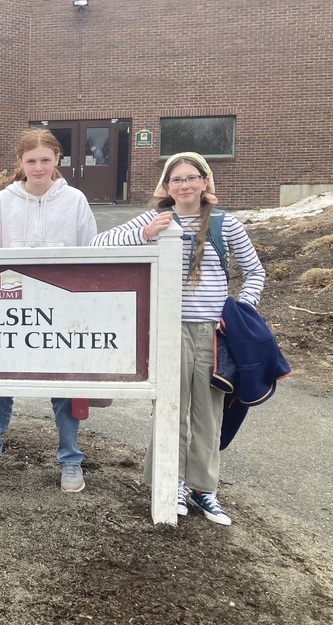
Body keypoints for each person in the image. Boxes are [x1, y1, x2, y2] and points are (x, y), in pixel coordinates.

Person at [91, 151, 265, 525]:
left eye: (191, 178)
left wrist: (237, 314)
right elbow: (98, 244)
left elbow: (254, 273)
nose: (184, 185)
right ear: (166, 187)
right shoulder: (155, 218)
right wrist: (146, 233)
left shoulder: (225, 223)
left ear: (204, 182)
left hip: (214, 334)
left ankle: (204, 488)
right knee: (171, 410)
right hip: (168, 330)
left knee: (208, 412)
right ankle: (172, 482)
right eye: (176, 180)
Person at [0, 128, 98, 492]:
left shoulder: (75, 201)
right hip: (12, 309)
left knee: (64, 386)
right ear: (20, 163)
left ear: (57, 159)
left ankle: (70, 459)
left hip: (61, 308)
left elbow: (90, 256)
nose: (38, 167)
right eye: (30, 161)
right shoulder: (4, 201)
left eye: (45, 159)